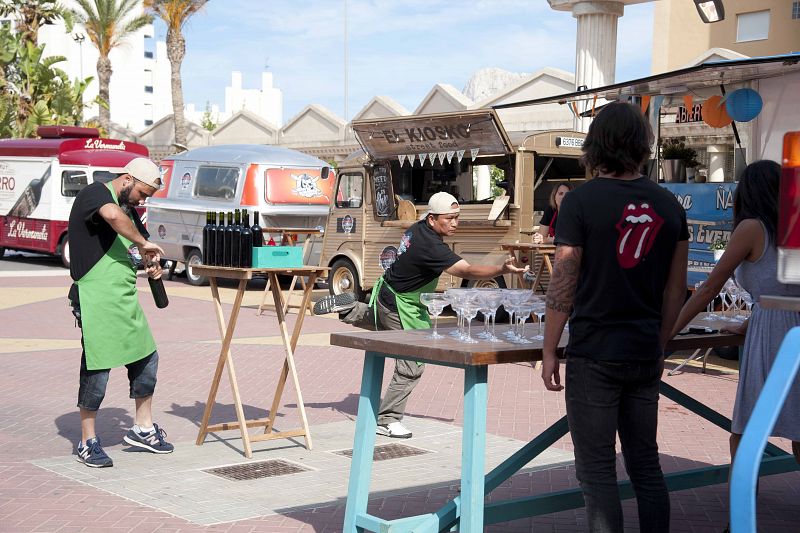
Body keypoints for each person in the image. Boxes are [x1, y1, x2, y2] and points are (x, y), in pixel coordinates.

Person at [541, 101, 689, 533]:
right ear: (643, 146)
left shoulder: (580, 202)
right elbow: (676, 289)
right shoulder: (669, 205)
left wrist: (550, 349)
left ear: (596, 146)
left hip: (595, 352)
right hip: (644, 349)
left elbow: (564, 281)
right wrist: (659, 341)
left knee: (598, 472)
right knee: (646, 465)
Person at [314, 192, 527, 438]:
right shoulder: (431, 246)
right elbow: (466, 270)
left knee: (381, 322)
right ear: (433, 219)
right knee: (412, 363)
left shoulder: (417, 229)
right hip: (400, 304)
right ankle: (387, 419)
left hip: (388, 292)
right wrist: (501, 268)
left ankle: (348, 308)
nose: (455, 223)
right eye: (450, 218)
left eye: (457, 217)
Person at [669, 160, 800, 468]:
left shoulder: (752, 228)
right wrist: (754, 318)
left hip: (774, 336)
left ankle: (740, 513)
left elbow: (707, 289)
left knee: (745, 433)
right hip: (785, 326)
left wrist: (670, 331)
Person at [68, 157, 174, 468]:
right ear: (127, 179)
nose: (143, 201)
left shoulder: (130, 209)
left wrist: (151, 263)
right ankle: (87, 441)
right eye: (143, 193)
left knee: (146, 357)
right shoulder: (95, 194)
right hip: (94, 295)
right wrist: (143, 242)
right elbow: (113, 217)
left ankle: (142, 429)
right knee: (98, 366)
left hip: (123, 296)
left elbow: (141, 247)